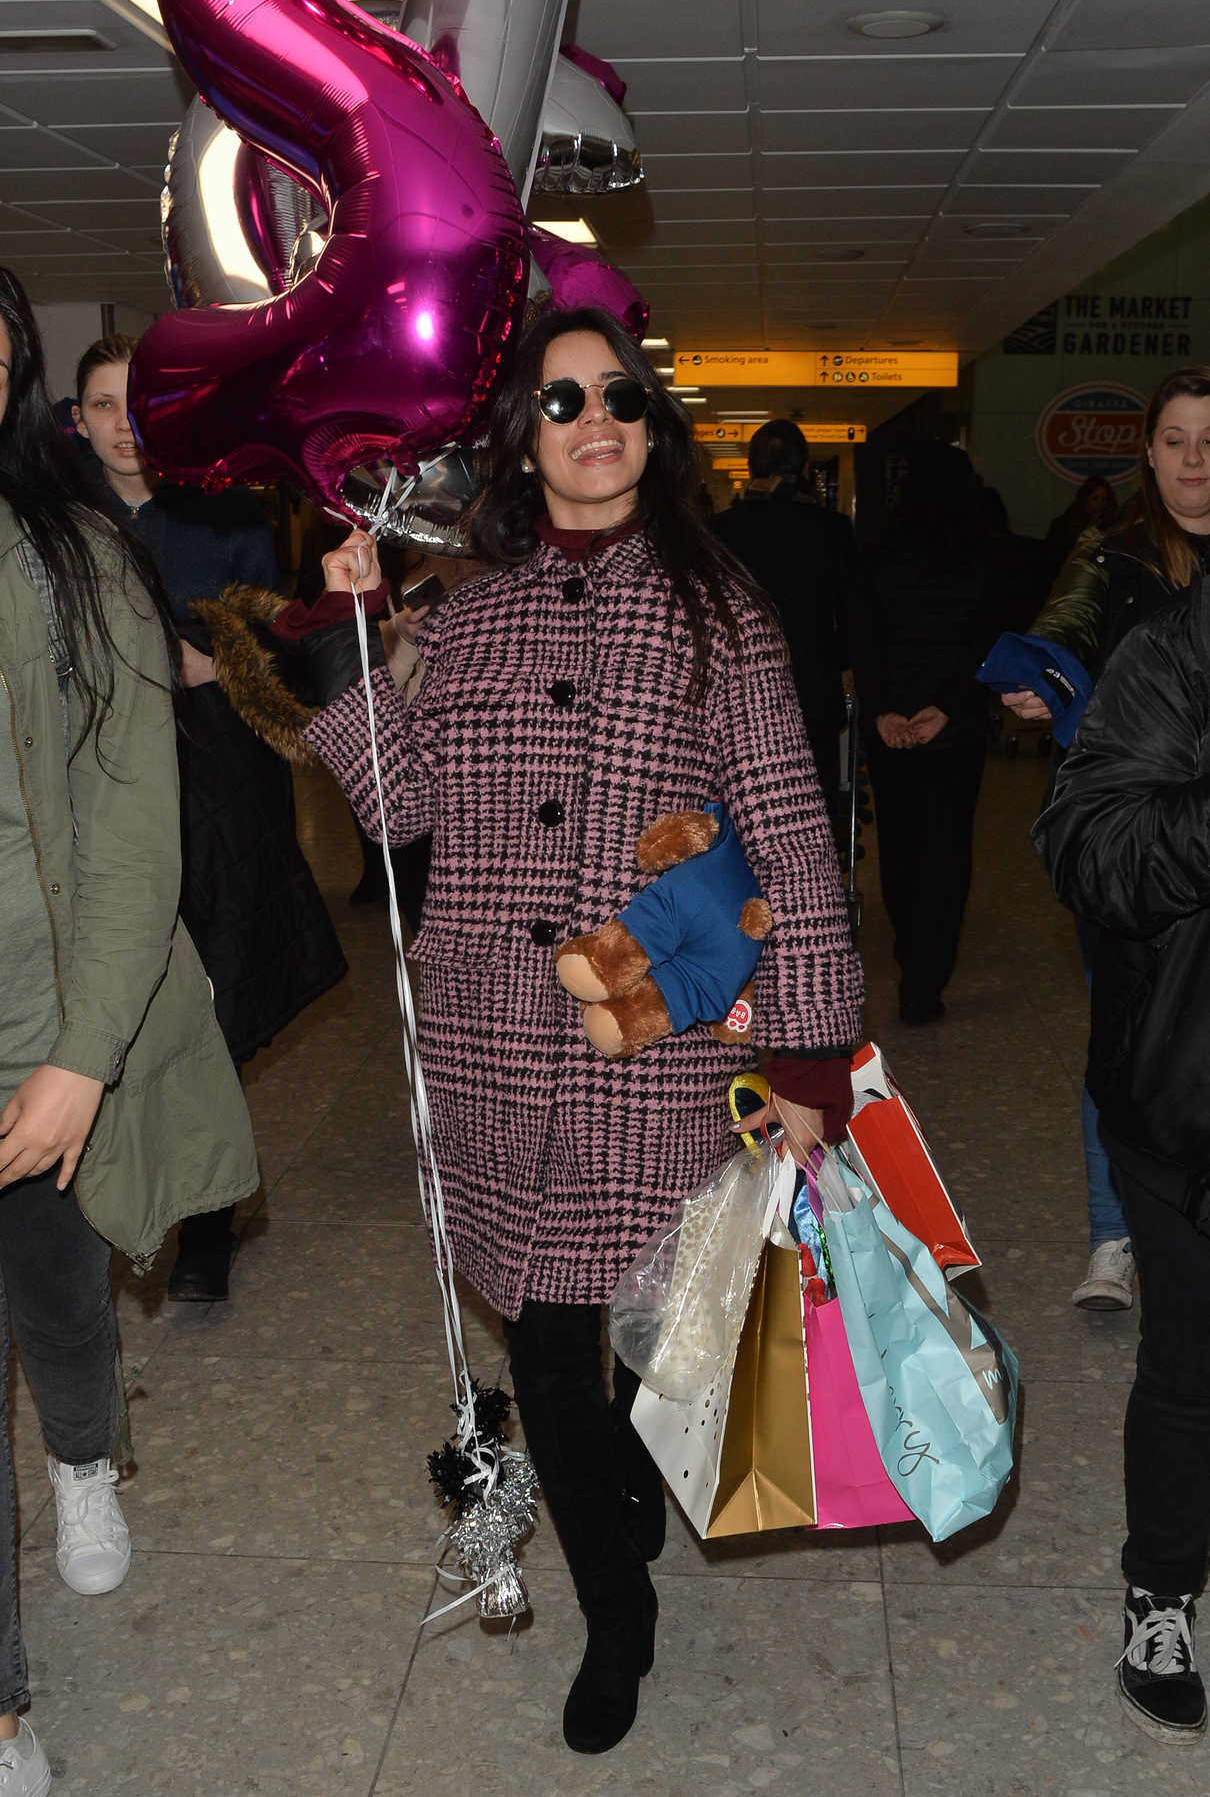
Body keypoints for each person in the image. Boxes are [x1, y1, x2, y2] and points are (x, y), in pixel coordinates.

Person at [285, 305, 864, 1755]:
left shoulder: (719, 611)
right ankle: (620, 1612)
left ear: (652, 432)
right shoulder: (465, 613)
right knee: (546, 1344)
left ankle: (610, 1510)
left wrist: (806, 1054)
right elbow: (405, 807)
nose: (593, 419)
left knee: (625, 1321)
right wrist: (348, 640)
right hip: (491, 1030)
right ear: (519, 438)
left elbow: (791, 834)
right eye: (559, 401)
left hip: (650, 1039)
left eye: (617, 397)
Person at [0, 269, 258, 1793]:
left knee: (62, 1304)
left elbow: (126, 818)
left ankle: (85, 1457)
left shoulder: (68, 550)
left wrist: (84, 1054)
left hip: (39, 1025)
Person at [73, 337, 346, 1300]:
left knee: (217, 987)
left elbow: (275, 647)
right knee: (119, 987)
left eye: (136, 407)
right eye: (102, 407)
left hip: (218, 785)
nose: (122, 427)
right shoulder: (63, 522)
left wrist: (213, 664)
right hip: (102, 786)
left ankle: (204, 1227)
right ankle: (120, 1194)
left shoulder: (224, 516)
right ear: (78, 420)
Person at [1035, 566, 1210, 1745]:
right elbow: (1090, 848)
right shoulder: (1173, 651)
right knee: (1191, 1364)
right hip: (1187, 1088)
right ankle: (1161, 1589)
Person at [1000, 368, 1210, 1313]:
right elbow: (1061, 635)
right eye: (1174, 441)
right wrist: (1040, 682)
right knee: (1126, 1032)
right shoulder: (1114, 554)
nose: (1194, 461)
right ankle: (1114, 1233)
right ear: (1148, 454)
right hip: (1134, 850)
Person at [850, 443, 996, 1024]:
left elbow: (865, 639)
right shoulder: (983, 555)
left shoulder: (880, 550)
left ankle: (908, 947)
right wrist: (949, 709)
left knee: (902, 847)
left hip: (893, 735)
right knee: (948, 849)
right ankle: (925, 983)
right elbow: (987, 643)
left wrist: (885, 712)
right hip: (953, 732)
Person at [715, 417, 856, 822]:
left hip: (735, 694)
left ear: (750, 468)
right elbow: (852, 616)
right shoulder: (831, 530)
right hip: (811, 691)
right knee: (813, 808)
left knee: (739, 812)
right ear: (806, 470)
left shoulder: (719, 531)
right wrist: (833, 661)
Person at [1044, 473, 1118, 568]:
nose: (1100, 504)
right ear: (1084, 500)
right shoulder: (1063, 526)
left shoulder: (1112, 528)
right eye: (1095, 499)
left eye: (1104, 499)